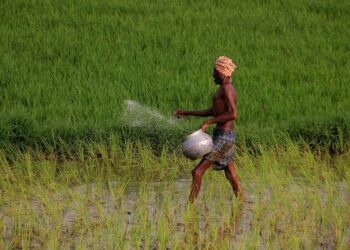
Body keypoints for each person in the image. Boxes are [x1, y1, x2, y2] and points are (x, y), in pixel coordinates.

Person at [174, 56, 244, 203]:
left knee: (197, 172)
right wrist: (186, 112)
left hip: (224, 138)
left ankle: (190, 207)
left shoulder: (227, 89)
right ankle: (242, 202)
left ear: (223, 72)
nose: (213, 75)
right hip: (223, 135)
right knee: (230, 173)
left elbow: (233, 114)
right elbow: (213, 111)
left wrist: (209, 122)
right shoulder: (221, 89)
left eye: (215, 72)